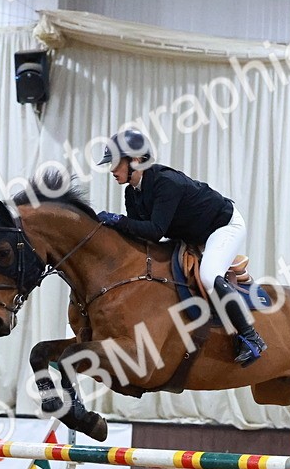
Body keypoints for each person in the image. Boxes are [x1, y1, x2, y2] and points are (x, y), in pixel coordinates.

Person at [95, 129, 267, 367]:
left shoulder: (166, 183)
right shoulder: (132, 193)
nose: (112, 170)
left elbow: (155, 230)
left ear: (135, 160)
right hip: (190, 233)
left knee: (208, 276)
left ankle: (251, 336)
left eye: (115, 163)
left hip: (223, 226)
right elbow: (143, 238)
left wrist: (118, 220)